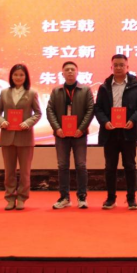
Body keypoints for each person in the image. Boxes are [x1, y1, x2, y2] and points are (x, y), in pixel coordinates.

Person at [94, 55, 137, 210]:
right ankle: (111, 198)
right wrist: (105, 122)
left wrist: (133, 120)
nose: (118, 68)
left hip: (128, 131)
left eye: (121, 65)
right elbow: (98, 108)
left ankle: (131, 198)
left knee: (130, 165)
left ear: (127, 67)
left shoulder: (136, 85)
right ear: (111, 67)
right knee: (110, 166)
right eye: (115, 65)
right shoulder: (104, 86)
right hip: (109, 132)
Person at [46, 61, 94, 210]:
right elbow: (50, 110)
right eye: (67, 69)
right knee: (62, 166)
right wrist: (57, 128)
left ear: (77, 72)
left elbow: (90, 110)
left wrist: (81, 128)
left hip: (79, 134)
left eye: (73, 69)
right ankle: (64, 197)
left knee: (81, 165)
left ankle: (82, 197)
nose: (70, 72)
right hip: (61, 135)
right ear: (62, 73)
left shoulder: (85, 90)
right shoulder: (56, 91)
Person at [0, 64, 42, 211]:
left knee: (25, 172)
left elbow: (38, 113)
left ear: (26, 77)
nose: (18, 77)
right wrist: (1, 121)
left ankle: (22, 198)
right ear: (11, 76)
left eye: (21, 75)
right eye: (15, 74)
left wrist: (28, 123)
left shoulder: (32, 93)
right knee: (9, 171)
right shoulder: (4, 93)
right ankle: (10, 198)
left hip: (25, 137)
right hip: (7, 136)